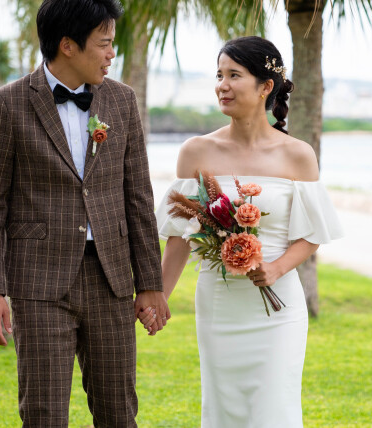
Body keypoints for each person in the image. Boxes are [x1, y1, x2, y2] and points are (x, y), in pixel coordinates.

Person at [0, 0, 169, 428]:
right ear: (67, 45)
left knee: (119, 413)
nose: (111, 54)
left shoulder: (122, 100)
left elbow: (138, 197)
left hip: (111, 278)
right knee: (43, 414)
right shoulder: (7, 104)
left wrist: (150, 283)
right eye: (104, 44)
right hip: (38, 282)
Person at [145, 36, 344, 427]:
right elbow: (181, 236)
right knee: (224, 409)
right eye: (219, 75)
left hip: (279, 306)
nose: (222, 84)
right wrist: (160, 297)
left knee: (275, 409)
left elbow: (313, 232)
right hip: (219, 304)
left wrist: (277, 268)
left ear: (265, 86)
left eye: (234, 75)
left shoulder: (297, 154)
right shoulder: (196, 151)